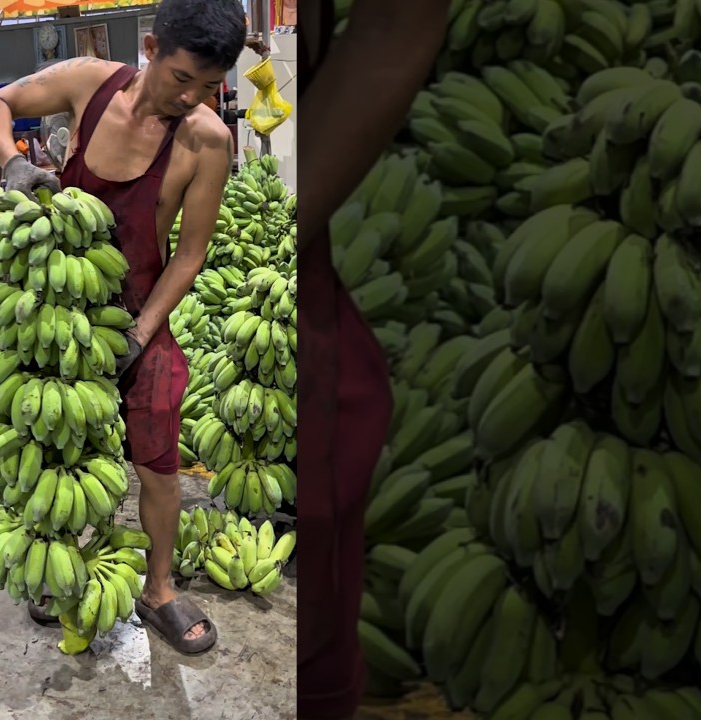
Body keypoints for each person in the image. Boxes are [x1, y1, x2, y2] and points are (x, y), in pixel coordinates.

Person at [0, 0, 246, 655]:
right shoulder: (90, 83)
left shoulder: (208, 141)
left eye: (210, 87)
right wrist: (11, 162)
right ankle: (54, 571)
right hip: (57, 313)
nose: (192, 97)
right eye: (182, 78)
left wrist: (140, 333)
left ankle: (158, 591)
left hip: (138, 319)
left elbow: (191, 254)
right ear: (151, 47)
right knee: (51, 454)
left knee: (158, 468)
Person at [293, 0, 451, 718]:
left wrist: (267, 230)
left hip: (293, 313)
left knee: (302, 646)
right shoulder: (90, 84)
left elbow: (399, 17)